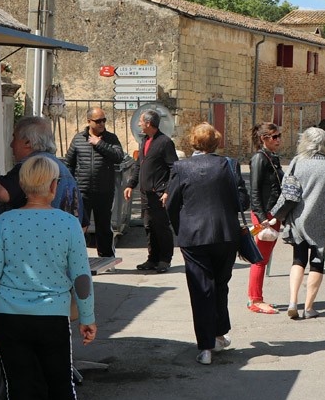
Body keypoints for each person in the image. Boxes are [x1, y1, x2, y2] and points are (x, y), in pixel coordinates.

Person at [0, 154, 102, 400]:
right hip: (52, 317)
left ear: (21, 185)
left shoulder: (5, 222)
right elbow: (81, 279)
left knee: (19, 386)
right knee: (60, 382)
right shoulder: (68, 223)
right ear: (53, 186)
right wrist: (87, 319)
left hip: (9, 318)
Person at [165, 124, 249, 365]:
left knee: (201, 291)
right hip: (225, 234)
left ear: (193, 142)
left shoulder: (181, 167)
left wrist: (180, 228)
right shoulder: (229, 165)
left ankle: (206, 348)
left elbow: (171, 203)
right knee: (220, 285)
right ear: (217, 142)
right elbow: (242, 200)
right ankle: (219, 335)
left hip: (193, 236)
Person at [272, 127, 325, 319]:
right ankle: (309, 307)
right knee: (317, 262)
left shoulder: (298, 162)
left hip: (298, 219)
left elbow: (287, 189)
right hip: (322, 222)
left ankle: (292, 301)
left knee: (298, 259)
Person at [0, 117, 84, 223]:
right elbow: (82, 223)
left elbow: (3, 193)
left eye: (14, 137)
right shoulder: (63, 169)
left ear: (28, 142)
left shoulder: (30, 166)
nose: (11, 144)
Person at [64, 108, 125, 258]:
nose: (102, 123)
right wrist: (71, 186)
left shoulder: (111, 138)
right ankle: (77, 258)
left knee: (104, 227)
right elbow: (68, 163)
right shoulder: (78, 139)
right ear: (89, 121)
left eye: (104, 120)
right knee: (80, 227)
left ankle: (107, 257)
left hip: (104, 191)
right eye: (98, 121)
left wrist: (99, 144)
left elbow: (118, 157)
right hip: (83, 191)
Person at [125, 110, 178, 273]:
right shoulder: (145, 141)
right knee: (149, 226)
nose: (139, 124)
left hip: (159, 193)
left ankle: (164, 259)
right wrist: (131, 184)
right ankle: (152, 258)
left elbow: (173, 168)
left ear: (149, 123)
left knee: (161, 227)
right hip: (145, 193)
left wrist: (168, 191)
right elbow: (139, 165)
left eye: (141, 121)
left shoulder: (165, 142)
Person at [247, 122, 284, 314]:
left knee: (263, 257)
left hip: (272, 214)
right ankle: (255, 300)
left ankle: (255, 297)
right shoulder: (259, 159)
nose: (278, 139)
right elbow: (254, 191)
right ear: (264, 138)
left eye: (279, 135)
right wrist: (261, 217)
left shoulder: (271, 157)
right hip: (265, 215)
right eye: (274, 136)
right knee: (260, 258)